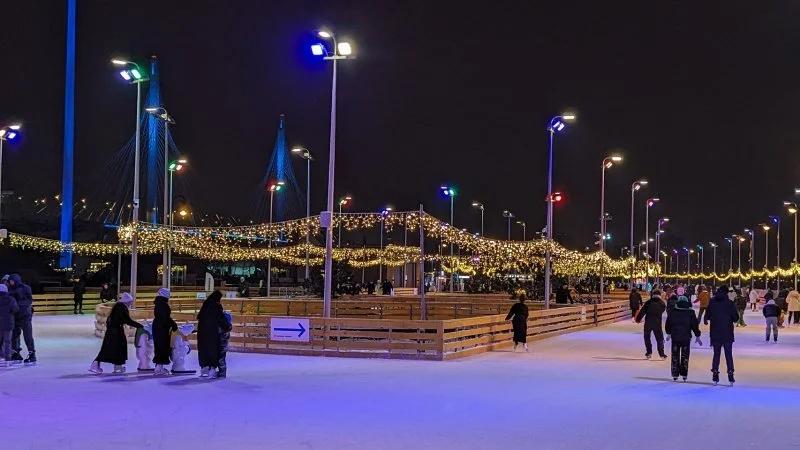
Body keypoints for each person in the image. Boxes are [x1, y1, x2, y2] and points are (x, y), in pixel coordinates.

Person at [89, 293, 144, 374]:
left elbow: (113, 319)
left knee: (114, 349)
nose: (130, 304)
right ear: (126, 301)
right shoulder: (122, 307)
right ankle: (96, 364)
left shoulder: (118, 306)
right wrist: (139, 325)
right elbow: (127, 320)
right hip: (116, 333)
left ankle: (117, 366)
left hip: (113, 331)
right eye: (130, 302)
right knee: (112, 349)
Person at [704, 285, 739, 386]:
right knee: (728, 355)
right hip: (727, 332)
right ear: (726, 293)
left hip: (715, 332)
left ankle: (715, 373)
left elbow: (708, 316)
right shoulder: (730, 303)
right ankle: (730, 374)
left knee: (716, 354)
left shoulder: (712, 302)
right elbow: (736, 318)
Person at [197, 290, 233, 379]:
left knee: (204, 350)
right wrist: (228, 327)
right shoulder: (216, 306)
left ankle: (204, 369)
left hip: (202, 332)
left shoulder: (205, 305)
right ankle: (212, 370)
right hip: (212, 333)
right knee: (213, 350)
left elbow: (199, 317)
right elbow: (220, 319)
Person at [665, 295, 701, 381]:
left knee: (675, 355)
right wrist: (697, 335)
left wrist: (669, 333)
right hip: (686, 337)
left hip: (675, 337)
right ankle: (684, 374)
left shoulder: (673, 311)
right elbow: (694, 325)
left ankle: (675, 374)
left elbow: (668, 323)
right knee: (685, 356)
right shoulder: (690, 312)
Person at [8, 274, 35, 365]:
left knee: (28, 335)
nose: (10, 282)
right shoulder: (10, 289)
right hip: (15, 316)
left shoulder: (26, 288)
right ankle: (16, 353)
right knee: (15, 335)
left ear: (16, 280)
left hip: (25, 316)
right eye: (10, 281)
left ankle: (32, 354)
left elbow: (29, 300)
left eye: (12, 281)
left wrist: (20, 306)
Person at [635, 288, 667, 359]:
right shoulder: (662, 303)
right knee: (659, 338)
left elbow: (642, 311)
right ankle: (662, 354)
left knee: (647, 337)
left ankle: (649, 352)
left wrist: (638, 319)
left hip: (648, 323)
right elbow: (663, 309)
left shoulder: (648, 302)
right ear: (659, 295)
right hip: (657, 323)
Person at [152, 288, 177, 375]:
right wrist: (173, 324)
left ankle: (159, 367)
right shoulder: (163, 304)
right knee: (162, 346)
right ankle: (159, 368)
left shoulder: (159, 303)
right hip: (161, 328)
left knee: (159, 346)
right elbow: (165, 317)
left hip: (158, 327)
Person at [0, 284, 19, 367]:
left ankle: (1, 356)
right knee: (7, 342)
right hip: (8, 323)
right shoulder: (11, 299)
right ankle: (8, 359)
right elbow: (15, 309)